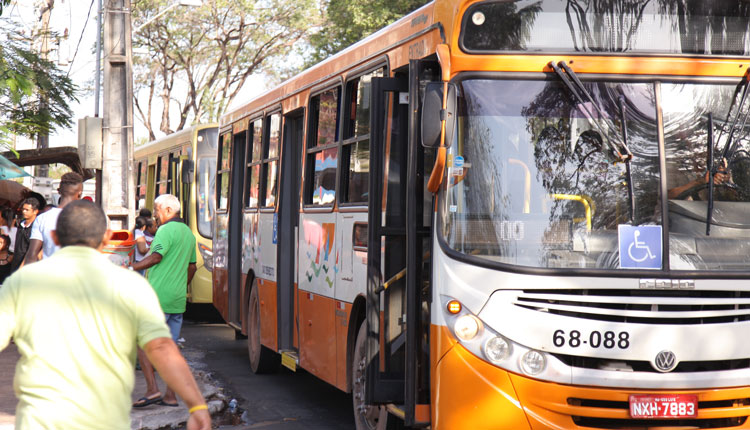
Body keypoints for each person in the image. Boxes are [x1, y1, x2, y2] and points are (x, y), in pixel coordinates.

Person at [0, 200, 211, 429]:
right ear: (106, 238)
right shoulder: (131, 286)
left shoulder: (22, 283)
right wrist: (197, 405)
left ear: (55, 237)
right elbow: (162, 348)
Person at [132, 194, 197, 408]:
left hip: (158, 297)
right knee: (171, 349)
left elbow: (156, 256)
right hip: (177, 299)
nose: (155, 215)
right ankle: (170, 395)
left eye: (157, 209)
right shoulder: (188, 233)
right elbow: (192, 267)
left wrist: (131, 267)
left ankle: (152, 390)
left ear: (168, 210)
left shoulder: (165, 231)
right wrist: (179, 285)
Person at [24, 171, 83, 264]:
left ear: (59, 191)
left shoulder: (42, 218)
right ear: (79, 193)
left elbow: (31, 255)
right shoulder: (85, 218)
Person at [10, 197, 39, 273]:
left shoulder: (36, 227)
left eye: (27, 210)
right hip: (15, 263)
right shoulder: (20, 225)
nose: (24, 212)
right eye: (23, 209)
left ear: (35, 211)